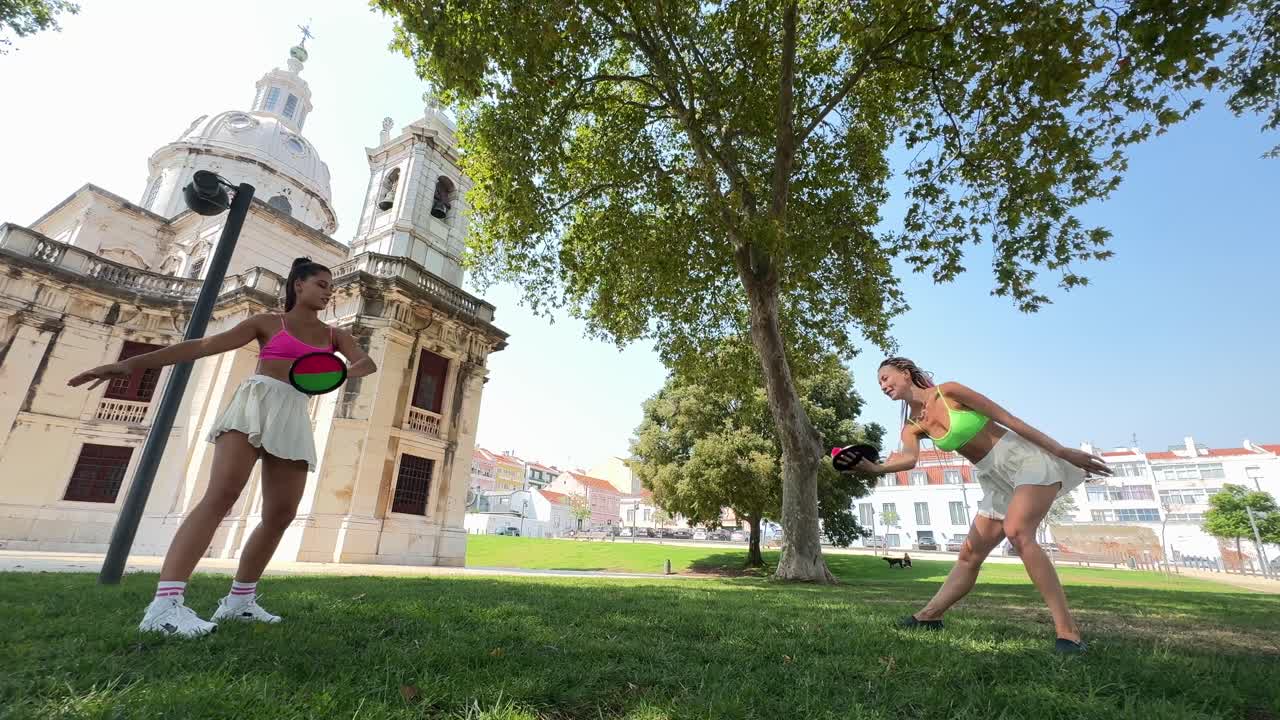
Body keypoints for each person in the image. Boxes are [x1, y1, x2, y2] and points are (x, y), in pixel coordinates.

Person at [67, 257, 377, 637]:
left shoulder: (333, 336)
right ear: (299, 284)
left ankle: (239, 602)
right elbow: (205, 344)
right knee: (222, 495)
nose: (329, 292)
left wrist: (341, 370)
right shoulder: (267, 322)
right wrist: (133, 365)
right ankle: (164, 606)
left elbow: (366, 363)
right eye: (322, 284)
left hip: (293, 413)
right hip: (254, 405)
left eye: (331, 287)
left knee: (281, 513)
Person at [848, 357, 1110, 653]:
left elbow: (1008, 419)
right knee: (969, 555)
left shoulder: (949, 392)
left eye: (885, 378)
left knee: (1018, 532)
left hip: (1023, 460)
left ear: (906, 374)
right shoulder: (912, 425)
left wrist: (1061, 451)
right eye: (879, 383)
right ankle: (929, 617)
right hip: (994, 477)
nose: (882, 386)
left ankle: (1069, 633)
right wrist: (874, 469)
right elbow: (909, 460)